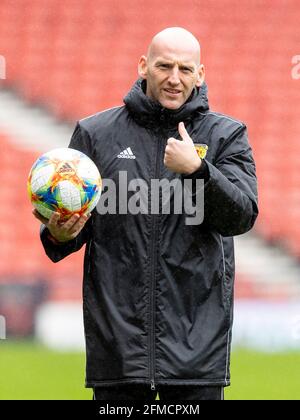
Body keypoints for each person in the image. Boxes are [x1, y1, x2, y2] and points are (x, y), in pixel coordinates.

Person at [33, 27, 258, 400]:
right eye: (164, 66)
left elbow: (242, 216)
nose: (174, 78)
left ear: (200, 74)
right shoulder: (95, 134)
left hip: (196, 356)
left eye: (185, 69)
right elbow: (67, 234)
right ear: (143, 66)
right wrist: (59, 233)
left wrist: (199, 171)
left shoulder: (226, 136)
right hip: (118, 354)